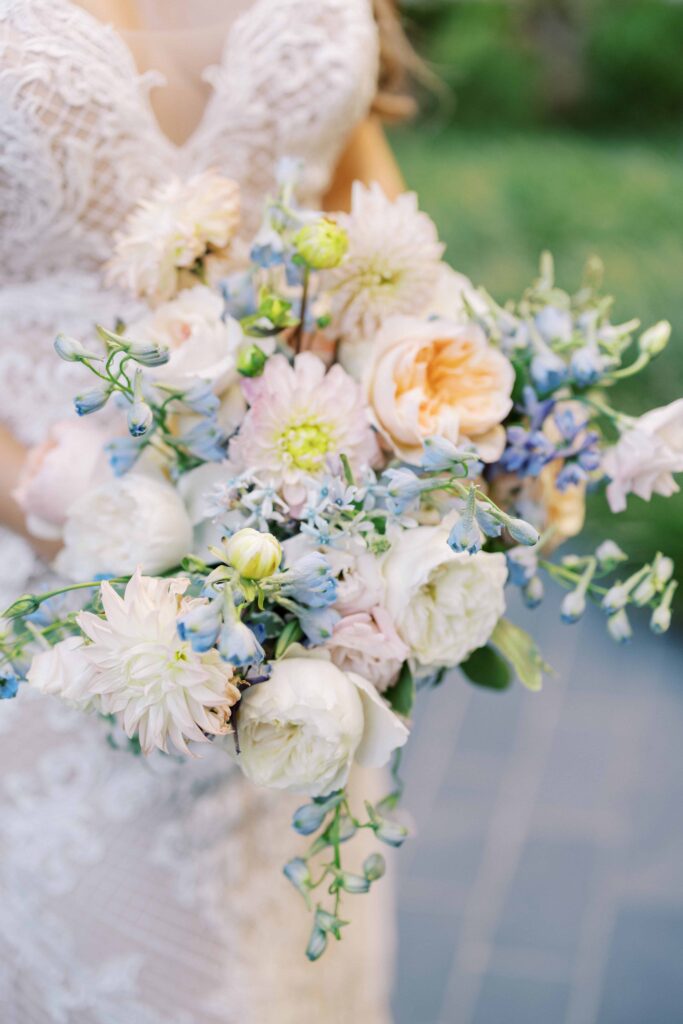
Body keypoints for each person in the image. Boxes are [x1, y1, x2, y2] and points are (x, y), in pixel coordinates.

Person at [0, 2, 415, 1020]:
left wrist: (437, 407)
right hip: (43, 597)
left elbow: (353, 182)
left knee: (291, 975)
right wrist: (71, 520)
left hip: (286, 591)